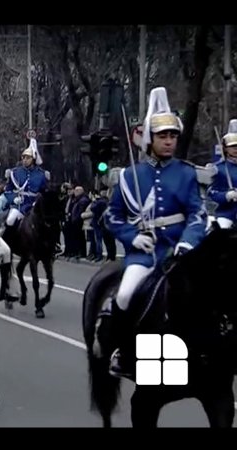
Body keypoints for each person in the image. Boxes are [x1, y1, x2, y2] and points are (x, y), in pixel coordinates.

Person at [102, 87, 208, 378]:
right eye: (163, 136)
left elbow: (197, 214)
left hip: (178, 253)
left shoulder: (186, 173)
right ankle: (123, 353)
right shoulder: (130, 176)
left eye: (173, 136)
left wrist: (187, 244)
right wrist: (131, 237)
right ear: (150, 139)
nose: (169, 141)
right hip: (144, 255)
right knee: (124, 295)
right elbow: (112, 216)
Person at [207, 119, 237, 229]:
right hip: (226, 212)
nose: (236, 149)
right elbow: (211, 194)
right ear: (225, 148)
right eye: (233, 146)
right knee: (221, 230)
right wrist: (227, 196)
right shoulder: (217, 168)